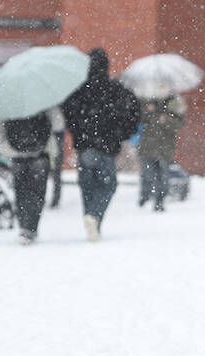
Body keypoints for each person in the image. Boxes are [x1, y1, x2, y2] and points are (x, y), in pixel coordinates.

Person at [62, 48, 140, 241]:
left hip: (85, 146)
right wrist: (122, 134)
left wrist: (78, 134)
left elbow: (68, 115)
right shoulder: (116, 90)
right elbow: (133, 112)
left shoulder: (78, 91)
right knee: (107, 186)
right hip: (107, 146)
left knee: (87, 186)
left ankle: (91, 218)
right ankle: (95, 217)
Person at [3, 112, 52, 245]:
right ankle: (31, 227)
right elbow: (56, 126)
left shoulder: (10, 109)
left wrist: (11, 150)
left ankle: (24, 226)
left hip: (18, 156)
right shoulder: (42, 107)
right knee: (37, 194)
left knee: (21, 193)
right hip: (39, 155)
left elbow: (1, 132)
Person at [137, 94, 186, 212]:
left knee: (163, 176)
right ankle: (144, 196)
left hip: (164, 148)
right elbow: (138, 118)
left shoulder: (174, 102)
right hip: (148, 147)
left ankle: (159, 200)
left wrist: (167, 120)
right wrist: (148, 110)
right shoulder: (147, 99)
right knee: (147, 174)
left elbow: (179, 124)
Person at [46, 107, 65, 208]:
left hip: (49, 134)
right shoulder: (57, 105)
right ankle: (55, 197)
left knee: (53, 169)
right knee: (56, 170)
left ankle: (54, 198)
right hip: (55, 133)